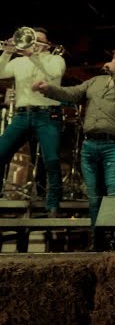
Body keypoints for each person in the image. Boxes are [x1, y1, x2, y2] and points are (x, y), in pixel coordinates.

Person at [34, 44, 115, 224]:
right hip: (90, 146)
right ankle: (99, 241)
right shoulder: (96, 81)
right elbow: (72, 93)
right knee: (94, 198)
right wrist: (48, 88)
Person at [0, 27, 66, 216]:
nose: (34, 43)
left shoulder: (56, 59)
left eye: (39, 40)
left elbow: (53, 74)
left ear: (46, 45)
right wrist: (7, 52)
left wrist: (33, 56)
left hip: (47, 115)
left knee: (51, 160)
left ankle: (53, 204)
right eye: (32, 39)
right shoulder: (18, 61)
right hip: (22, 115)